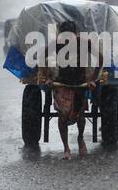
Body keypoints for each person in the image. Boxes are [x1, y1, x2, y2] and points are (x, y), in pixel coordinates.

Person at [39, 21, 103, 160]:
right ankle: (66, 148)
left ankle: (80, 138)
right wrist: (47, 77)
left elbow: (100, 58)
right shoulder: (56, 43)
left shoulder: (84, 43)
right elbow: (41, 57)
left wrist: (92, 78)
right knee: (62, 117)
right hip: (62, 84)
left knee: (79, 115)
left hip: (80, 84)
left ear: (76, 34)